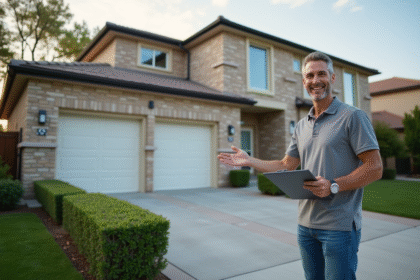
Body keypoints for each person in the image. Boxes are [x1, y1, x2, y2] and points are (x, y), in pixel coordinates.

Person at [217, 51, 383, 280]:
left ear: (332, 78)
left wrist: (333, 185)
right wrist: (250, 161)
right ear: (304, 81)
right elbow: (286, 165)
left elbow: (374, 167)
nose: (315, 81)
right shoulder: (301, 126)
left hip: (339, 227)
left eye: (321, 74)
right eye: (310, 76)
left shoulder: (353, 117)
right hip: (305, 226)